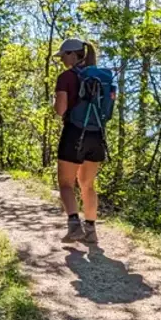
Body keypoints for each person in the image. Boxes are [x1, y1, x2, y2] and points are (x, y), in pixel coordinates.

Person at [53, 38, 106, 244]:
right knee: (88, 184)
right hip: (97, 135)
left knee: (66, 183)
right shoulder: (100, 77)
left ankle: (74, 227)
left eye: (64, 56)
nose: (63, 61)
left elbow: (61, 110)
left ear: (72, 54)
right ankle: (91, 231)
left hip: (74, 133)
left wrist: (55, 101)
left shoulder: (66, 77)